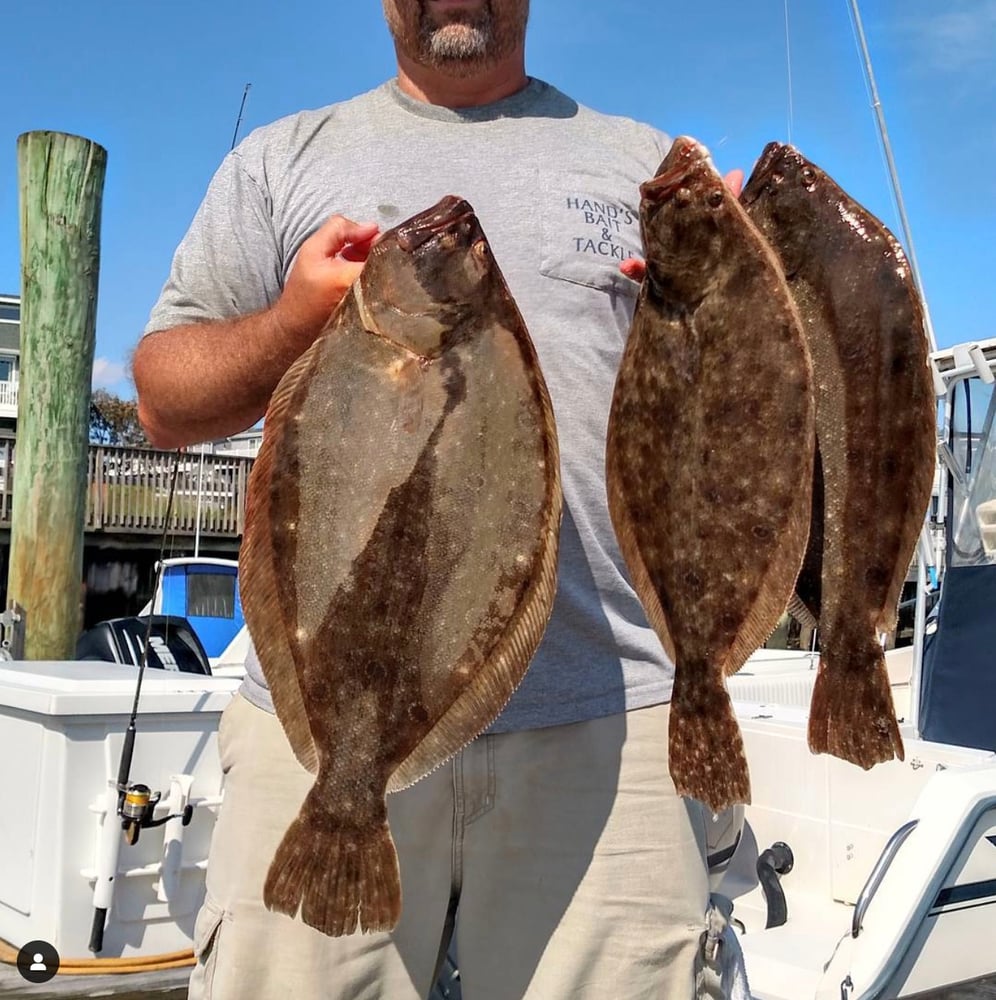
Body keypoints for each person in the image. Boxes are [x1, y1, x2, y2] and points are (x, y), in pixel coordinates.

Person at [134, 3, 742, 997]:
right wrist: (296, 318)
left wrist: (736, 288)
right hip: (318, 735)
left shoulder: (642, 164)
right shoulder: (283, 158)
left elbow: (729, 414)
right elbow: (162, 398)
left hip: (606, 719)